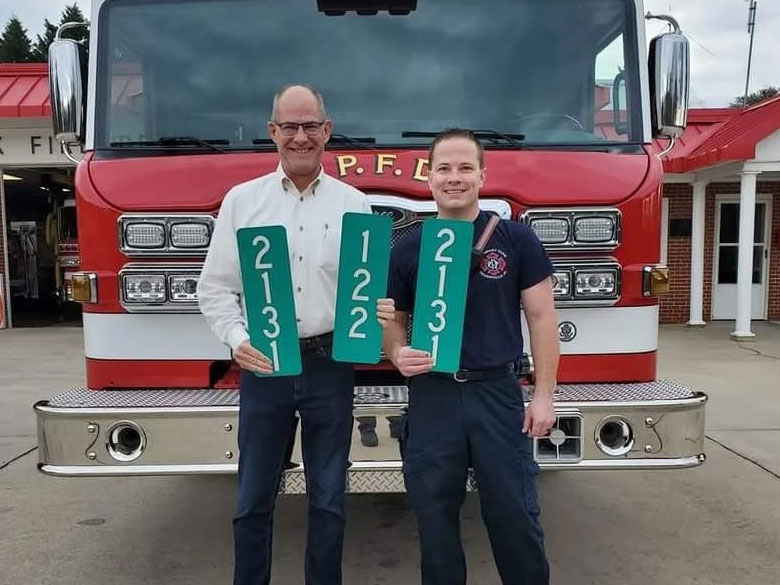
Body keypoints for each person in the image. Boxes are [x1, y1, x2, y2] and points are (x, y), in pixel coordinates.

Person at [198, 84, 394, 585]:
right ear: (273, 132)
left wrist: (379, 310)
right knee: (252, 498)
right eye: (290, 126)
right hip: (266, 363)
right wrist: (237, 338)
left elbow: (366, 288)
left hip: (331, 364)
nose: (300, 137)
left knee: (329, 498)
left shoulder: (355, 204)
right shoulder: (243, 202)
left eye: (310, 126)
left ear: (327, 131)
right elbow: (214, 288)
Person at [383, 129, 559, 585]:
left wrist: (544, 396)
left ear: (482, 175)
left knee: (514, 514)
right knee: (434, 520)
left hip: (496, 393)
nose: (454, 178)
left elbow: (542, 319)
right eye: (444, 168)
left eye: (465, 168)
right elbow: (393, 320)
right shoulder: (407, 248)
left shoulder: (518, 241)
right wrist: (397, 351)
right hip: (432, 396)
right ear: (429, 177)